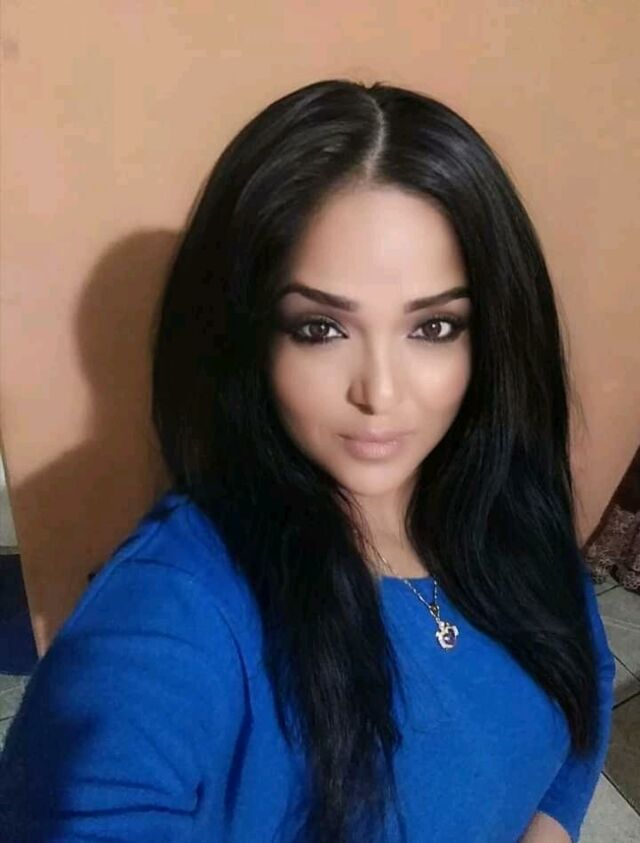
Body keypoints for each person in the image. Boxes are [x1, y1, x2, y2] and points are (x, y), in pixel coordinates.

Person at [0, 79, 615, 843]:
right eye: (321, 328)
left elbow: (583, 680)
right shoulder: (174, 609)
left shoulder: (504, 502)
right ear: (249, 335)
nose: (380, 392)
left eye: (433, 327)